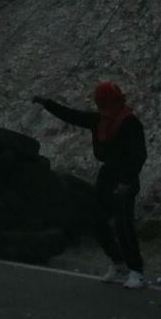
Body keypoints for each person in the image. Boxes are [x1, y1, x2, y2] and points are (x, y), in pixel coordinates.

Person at [31, 83, 148, 289]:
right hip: (107, 175)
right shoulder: (99, 121)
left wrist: (126, 182)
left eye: (108, 104)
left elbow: (138, 155)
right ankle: (117, 262)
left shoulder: (130, 123)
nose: (105, 108)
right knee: (96, 219)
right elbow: (71, 115)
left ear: (117, 102)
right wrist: (46, 103)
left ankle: (136, 271)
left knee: (123, 226)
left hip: (125, 178)